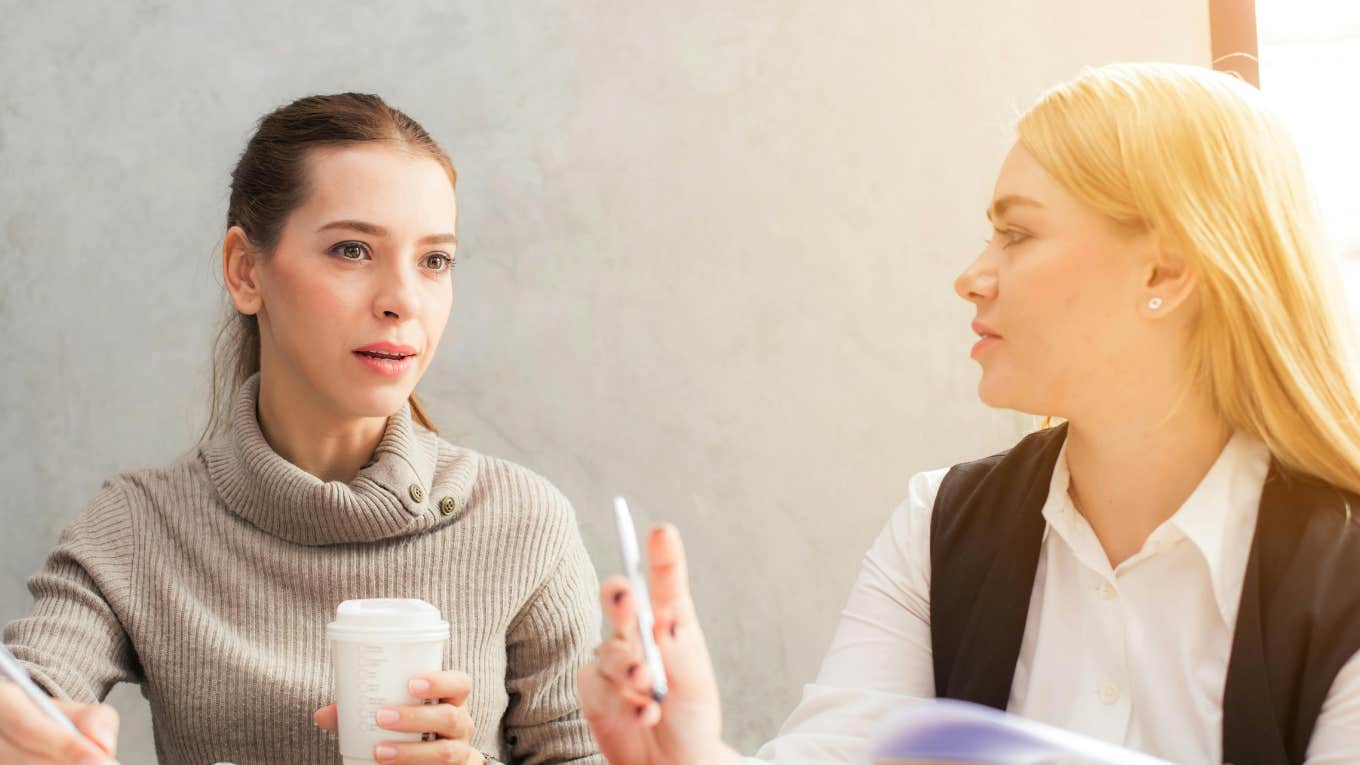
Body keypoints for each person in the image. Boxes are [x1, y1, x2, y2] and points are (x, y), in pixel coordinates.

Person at [578, 63, 1360, 765]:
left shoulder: (1342, 575)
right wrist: (691, 754)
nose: (971, 276)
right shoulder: (938, 524)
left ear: (1164, 270)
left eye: (1016, 233)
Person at [1, 93, 604, 765]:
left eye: (434, 260)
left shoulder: (525, 524)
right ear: (245, 270)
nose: (402, 300)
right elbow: (25, 699)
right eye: (352, 249)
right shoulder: (139, 526)